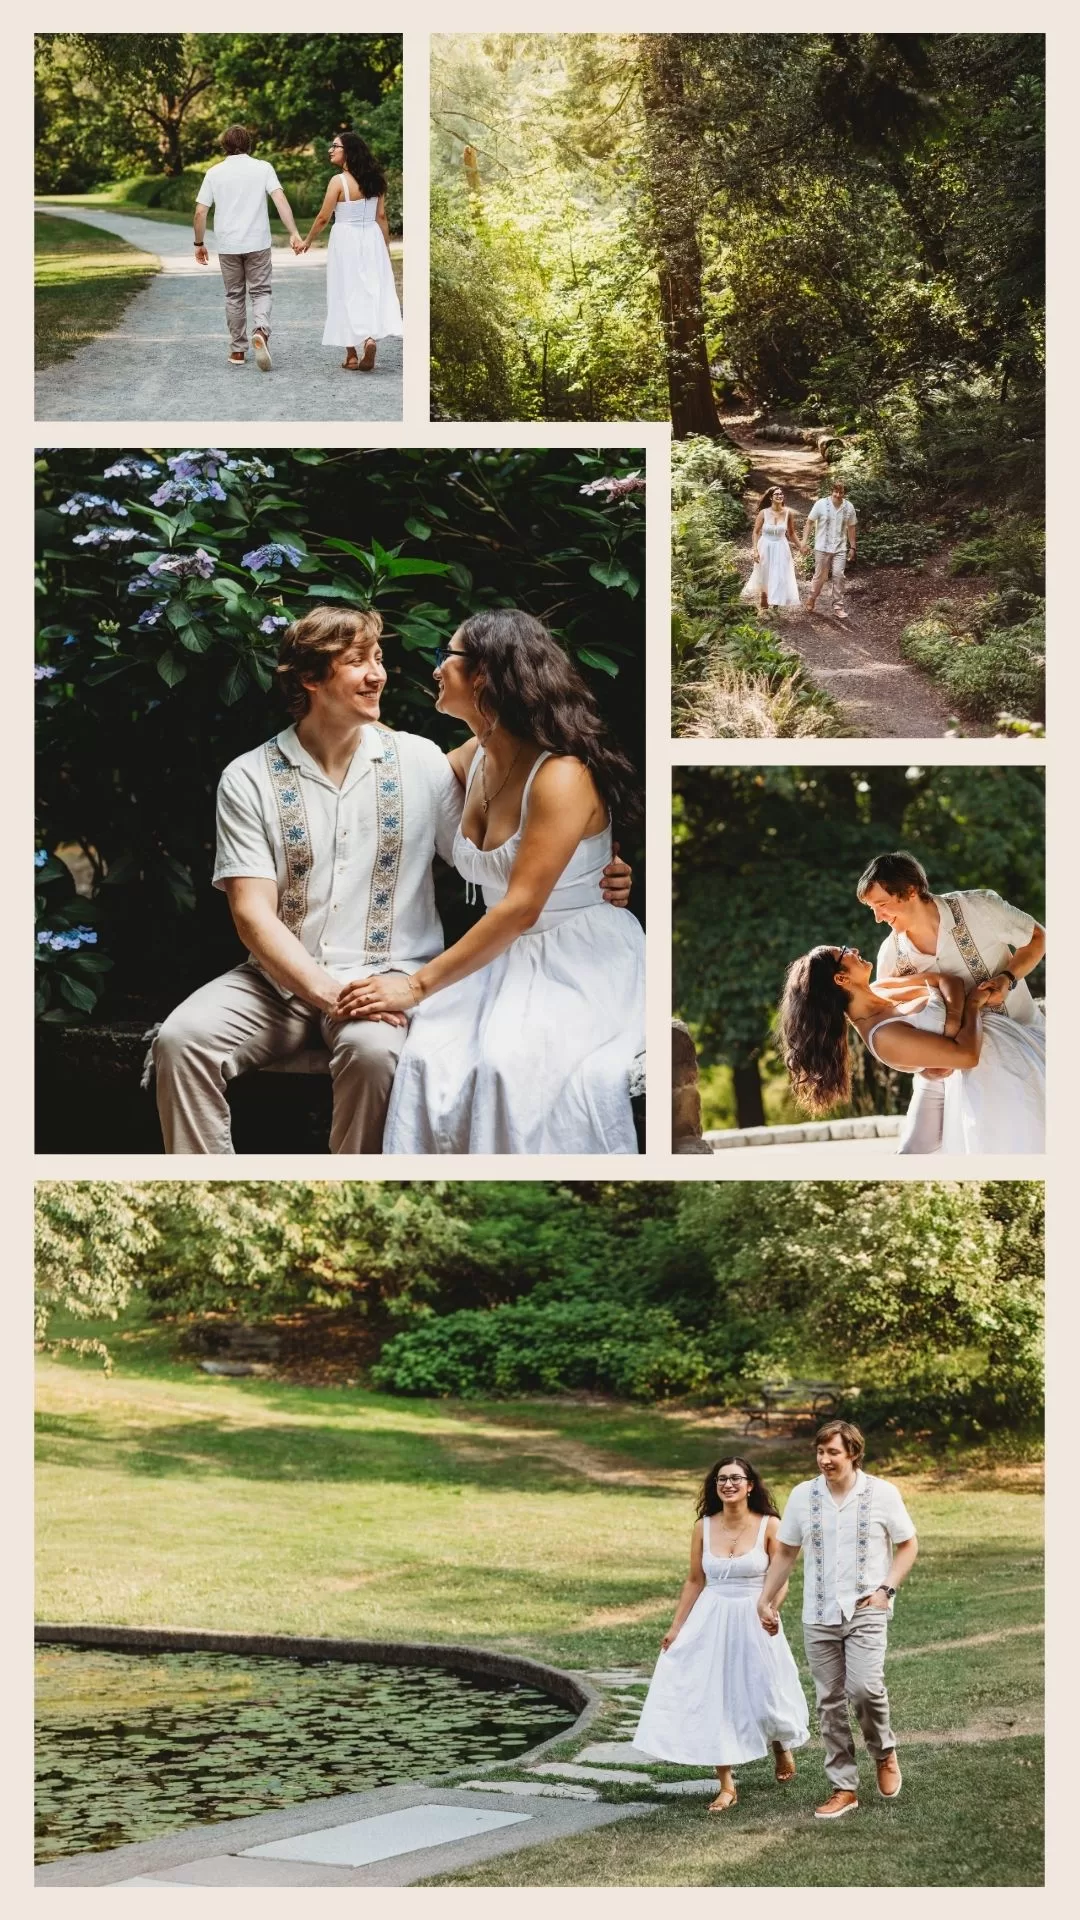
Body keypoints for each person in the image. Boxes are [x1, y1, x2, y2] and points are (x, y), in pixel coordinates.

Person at [150, 607, 632, 1154]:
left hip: (392, 974)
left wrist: (590, 871)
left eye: (378, 657)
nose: (380, 673)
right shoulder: (249, 776)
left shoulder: (421, 762)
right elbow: (251, 913)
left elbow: (495, 848)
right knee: (179, 1041)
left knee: (376, 1055)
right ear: (310, 677)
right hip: (276, 981)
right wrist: (330, 994)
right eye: (358, 661)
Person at [346, 610, 646, 1154]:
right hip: (498, 960)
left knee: (508, 1068)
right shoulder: (474, 756)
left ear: (484, 673)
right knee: (424, 1062)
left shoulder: (562, 774)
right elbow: (399, 761)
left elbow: (522, 908)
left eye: (447, 656)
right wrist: (341, 707)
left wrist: (413, 986)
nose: (436, 669)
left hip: (571, 957)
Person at [758, 1421, 918, 1821]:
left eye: (833, 1453)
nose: (825, 1460)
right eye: (820, 1452)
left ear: (853, 1454)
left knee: (864, 1688)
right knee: (829, 1702)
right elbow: (786, 1554)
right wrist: (765, 1599)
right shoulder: (802, 1495)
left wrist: (886, 1590)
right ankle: (843, 1787)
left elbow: (907, 1544)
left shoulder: (882, 1493)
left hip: (866, 1607)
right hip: (818, 1611)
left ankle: (883, 1752)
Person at [635, 1456, 809, 1813]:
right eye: (721, 1480)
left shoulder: (770, 1525)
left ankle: (779, 1744)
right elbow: (695, 1580)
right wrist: (676, 1627)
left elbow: (781, 1579)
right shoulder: (704, 1526)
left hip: (755, 1613)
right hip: (711, 1618)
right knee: (715, 1696)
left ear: (750, 1486)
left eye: (735, 1478)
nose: (728, 1484)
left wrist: (771, 1609)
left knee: (766, 1692)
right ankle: (726, 1784)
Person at [857, 851, 1046, 1154]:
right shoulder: (890, 956)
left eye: (882, 905)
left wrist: (1007, 977)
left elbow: (1038, 938)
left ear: (910, 891)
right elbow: (899, 1026)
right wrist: (922, 1068)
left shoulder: (979, 906)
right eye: (871, 908)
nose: (878, 917)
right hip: (961, 1079)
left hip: (1028, 1045)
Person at [777, 941, 1045, 1151]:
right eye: (844, 952)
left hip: (1013, 1042)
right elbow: (966, 1056)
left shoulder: (883, 989)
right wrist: (972, 1005)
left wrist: (952, 1024)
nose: (854, 950)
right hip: (993, 1078)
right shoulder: (883, 1037)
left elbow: (946, 981)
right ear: (840, 979)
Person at [194, 125, 305, 371]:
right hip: (258, 242)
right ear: (249, 144)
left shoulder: (214, 172)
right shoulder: (263, 168)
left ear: (224, 146)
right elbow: (280, 200)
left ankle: (237, 351)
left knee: (234, 295)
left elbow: (201, 211)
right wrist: (294, 233)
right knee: (261, 291)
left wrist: (199, 243)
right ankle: (261, 332)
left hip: (228, 244)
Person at [299, 131, 402, 374]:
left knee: (344, 289)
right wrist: (385, 249)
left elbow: (324, 217)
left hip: (345, 238)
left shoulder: (339, 181)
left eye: (335, 146)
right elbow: (381, 217)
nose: (330, 150)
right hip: (372, 238)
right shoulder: (376, 180)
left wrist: (307, 240)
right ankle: (368, 338)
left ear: (349, 151)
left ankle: (352, 355)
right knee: (368, 290)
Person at [801, 479, 857, 618]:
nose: (838, 495)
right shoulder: (821, 504)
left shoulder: (849, 507)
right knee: (820, 577)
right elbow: (809, 522)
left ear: (844, 493)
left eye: (841, 492)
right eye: (835, 491)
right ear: (831, 491)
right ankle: (812, 598)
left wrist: (853, 547)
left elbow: (851, 527)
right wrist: (804, 541)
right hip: (822, 547)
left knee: (838, 575)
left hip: (840, 547)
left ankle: (838, 606)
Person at [741, 486, 802, 611]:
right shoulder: (763, 513)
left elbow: (791, 533)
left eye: (781, 494)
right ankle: (764, 596)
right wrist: (755, 551)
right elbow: (756, 532)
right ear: (770, 497)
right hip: (765, 545)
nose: (780, 496)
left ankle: (776, 601)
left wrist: (801, 546)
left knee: (780, 573)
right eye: (776, 494)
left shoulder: (788, 513)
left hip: (781, 546)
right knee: (764, 572)